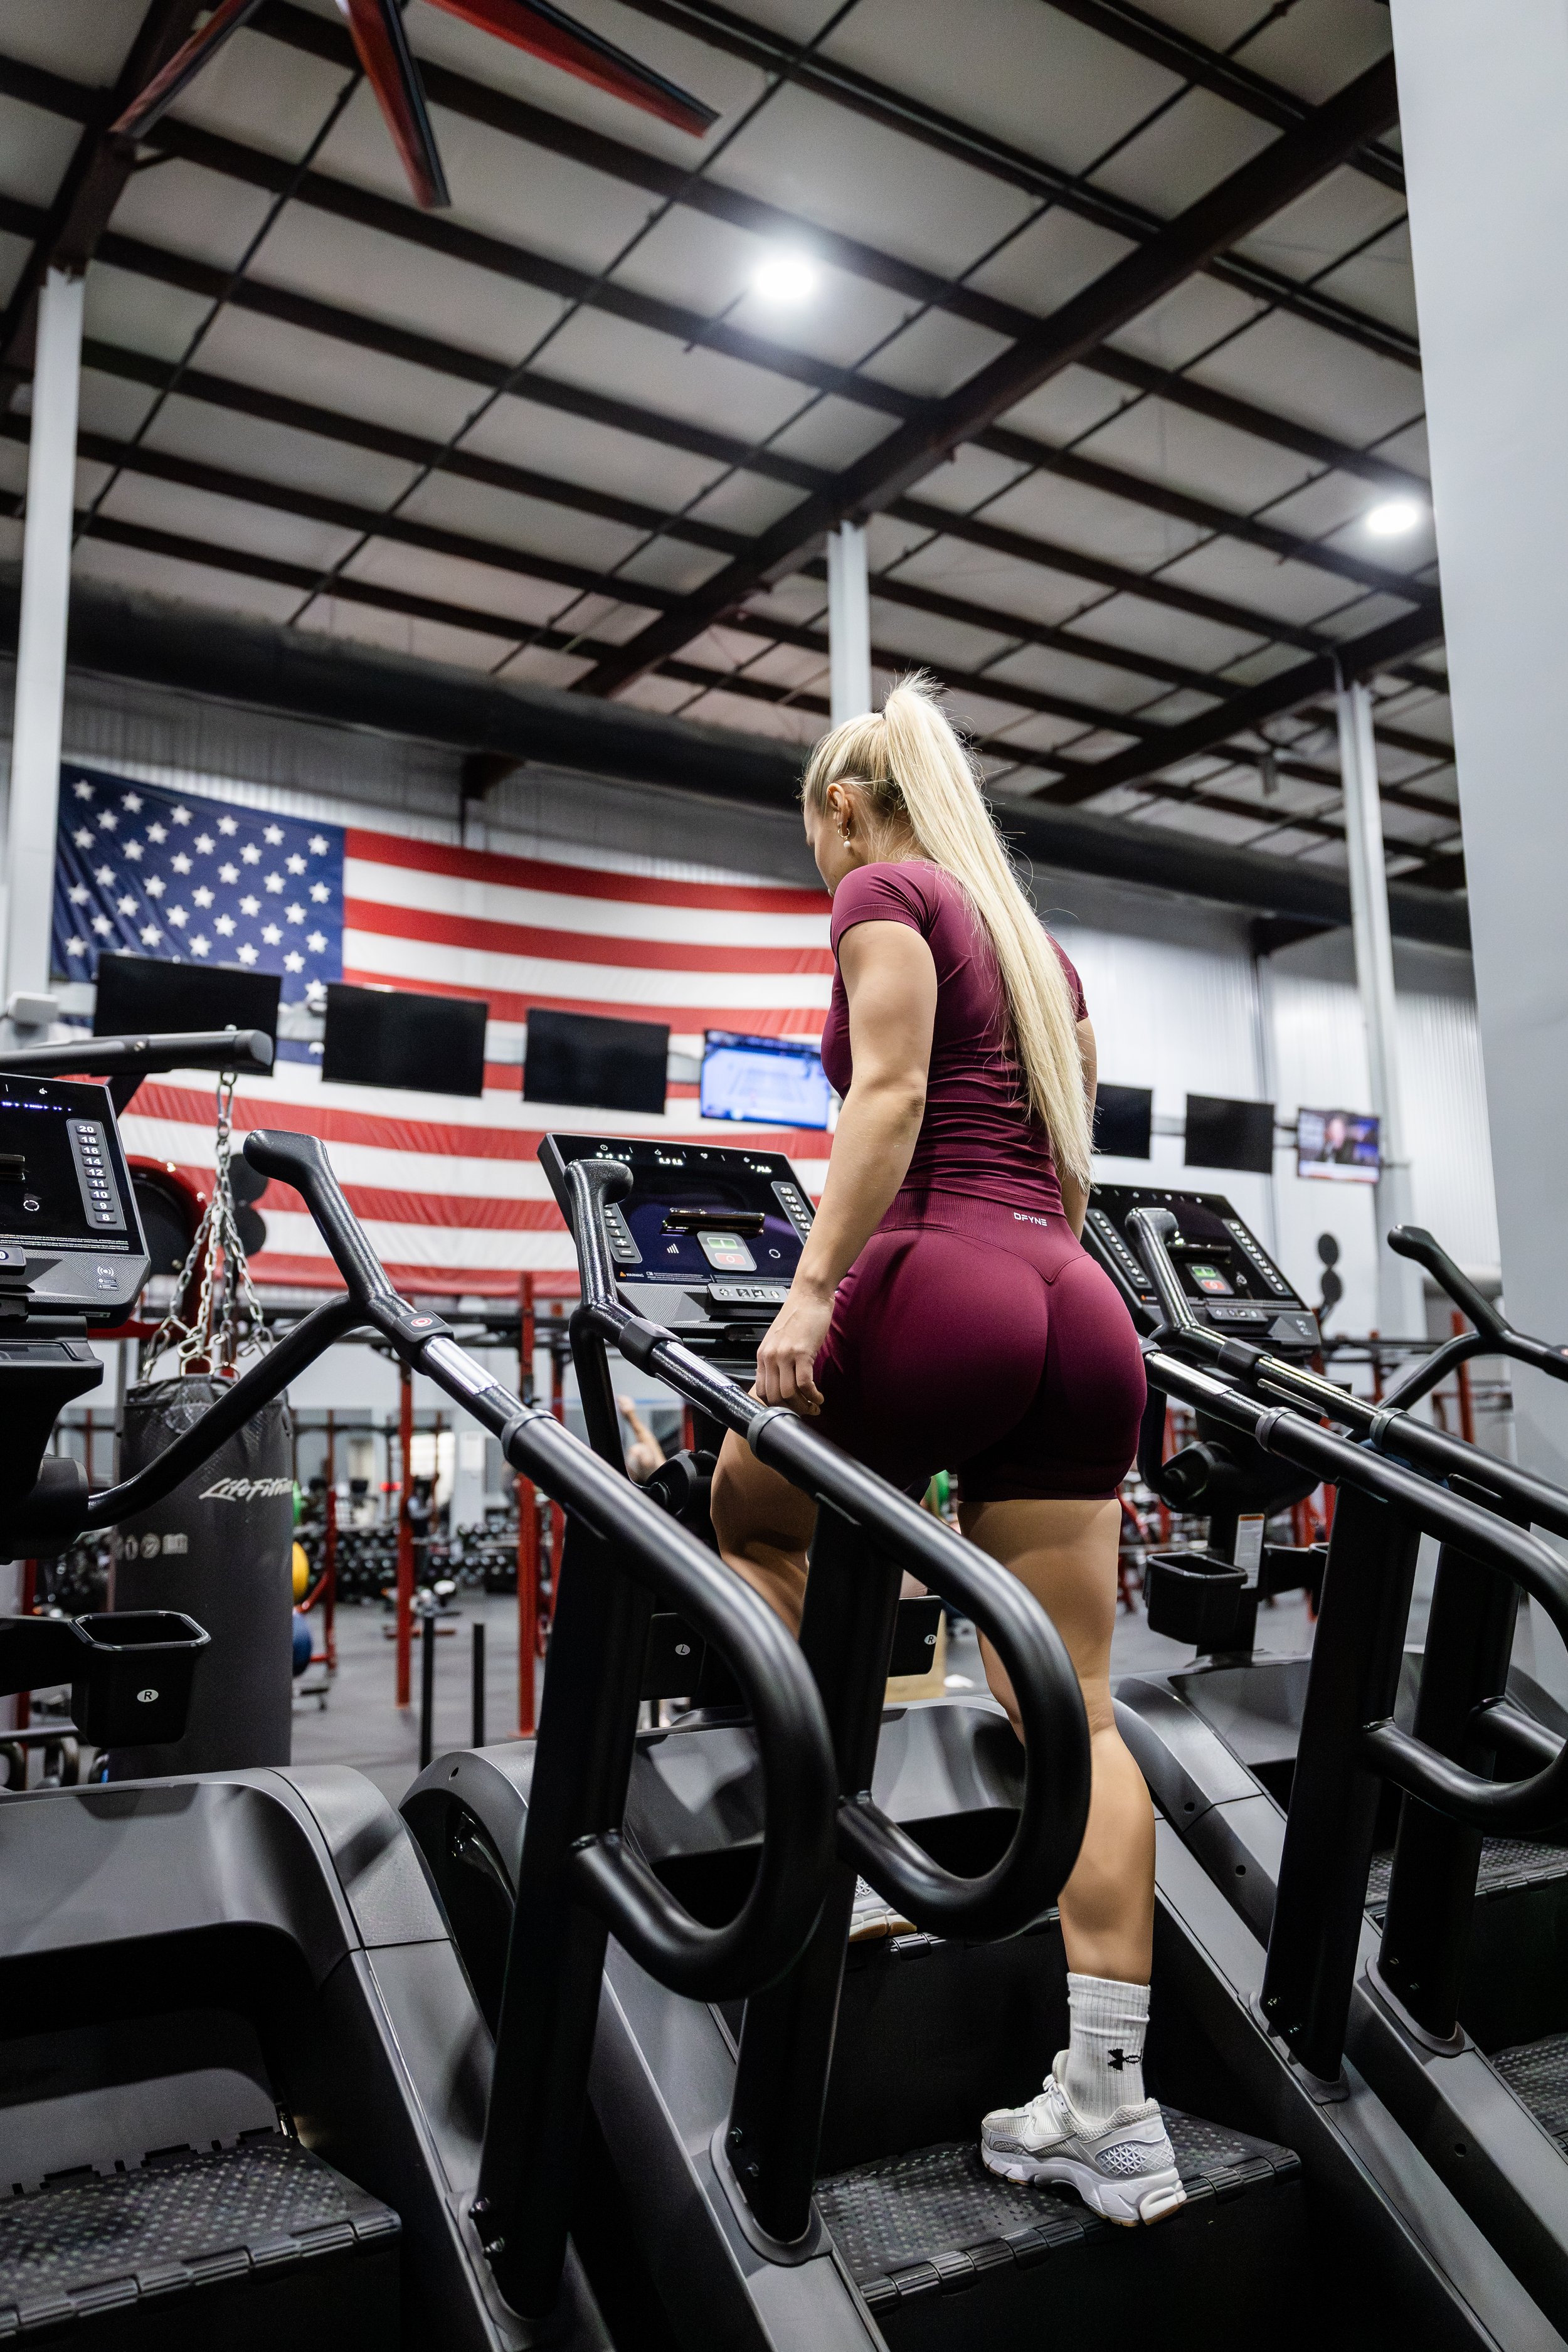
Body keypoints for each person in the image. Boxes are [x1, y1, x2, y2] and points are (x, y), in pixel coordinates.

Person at [709, 675, 1177, 2228]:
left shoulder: (883, 891)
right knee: (1075, 1707)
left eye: (814, 834)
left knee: (749, 1510)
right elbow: (1073, 1140)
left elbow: (892, 1094)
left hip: (942, 1276)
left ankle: (827, 1854)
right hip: (1075, 1302)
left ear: (844, 808)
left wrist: (810, 1289)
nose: (819, 861)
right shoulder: (1036, 946)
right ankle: (1111, 2109)